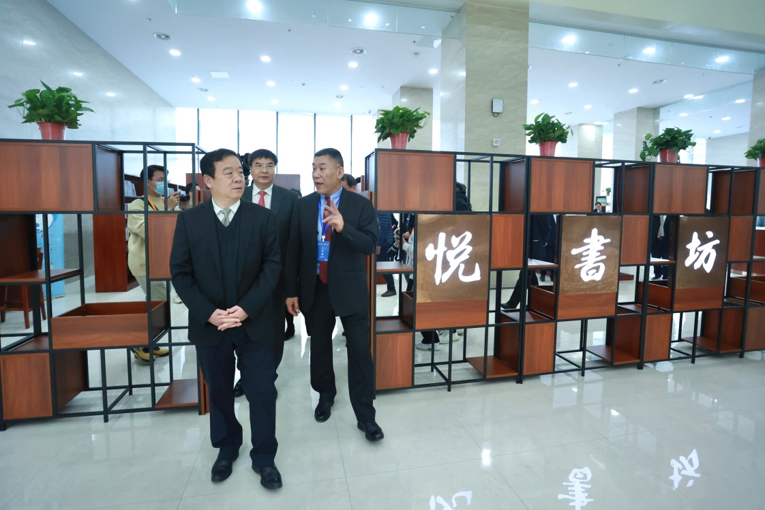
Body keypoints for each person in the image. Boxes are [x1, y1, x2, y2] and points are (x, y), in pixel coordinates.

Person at [170, 148, 283, 489]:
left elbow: (272, 267)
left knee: (261, 391)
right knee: (219, 391)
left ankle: (264, 457)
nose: (239, 178)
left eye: (240, 172)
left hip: (255, 322)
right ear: (208, 180)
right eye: (229, 173)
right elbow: (180, 272)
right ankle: (227, 447)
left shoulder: (262, 218)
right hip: (211, 325)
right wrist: (208, 313)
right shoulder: (190, 220)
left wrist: (246, 307)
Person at [285, 148, 384, 442]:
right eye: (313, 168)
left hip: (350, 288)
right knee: (319, 346)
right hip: (315, 287)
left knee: (360, 351)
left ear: (339, 172)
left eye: (322, 168)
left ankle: (366, 415)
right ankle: (325, 395)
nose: (316, 174)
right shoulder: (303, 205)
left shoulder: (360, 205)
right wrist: (291, 291)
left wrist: (343, 227)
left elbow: (370, 244)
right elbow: (293, 250)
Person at [232, 149, 298, 399]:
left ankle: (268, 376)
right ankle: (246, 377)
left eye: (269, 165)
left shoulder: (289, 199)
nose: (264, 170)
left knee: (274, 333)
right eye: (258, 165)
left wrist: (291, 288)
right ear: (250, 169)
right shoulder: (238, 194)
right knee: (243, 331)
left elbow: (293, 245)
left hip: (276, 280)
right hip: (243, 279)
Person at [127, 164, 179, 362]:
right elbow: (146, 231)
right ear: (147, 181)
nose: (164, 183)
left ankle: (150, 342)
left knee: (157, 304)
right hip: (146, 262)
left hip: (164, 261)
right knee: (158, 302)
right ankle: (141, 342)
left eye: (166, 179)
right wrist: (168, 210)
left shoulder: (166, 201)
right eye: (160, 180)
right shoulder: (138, 204)